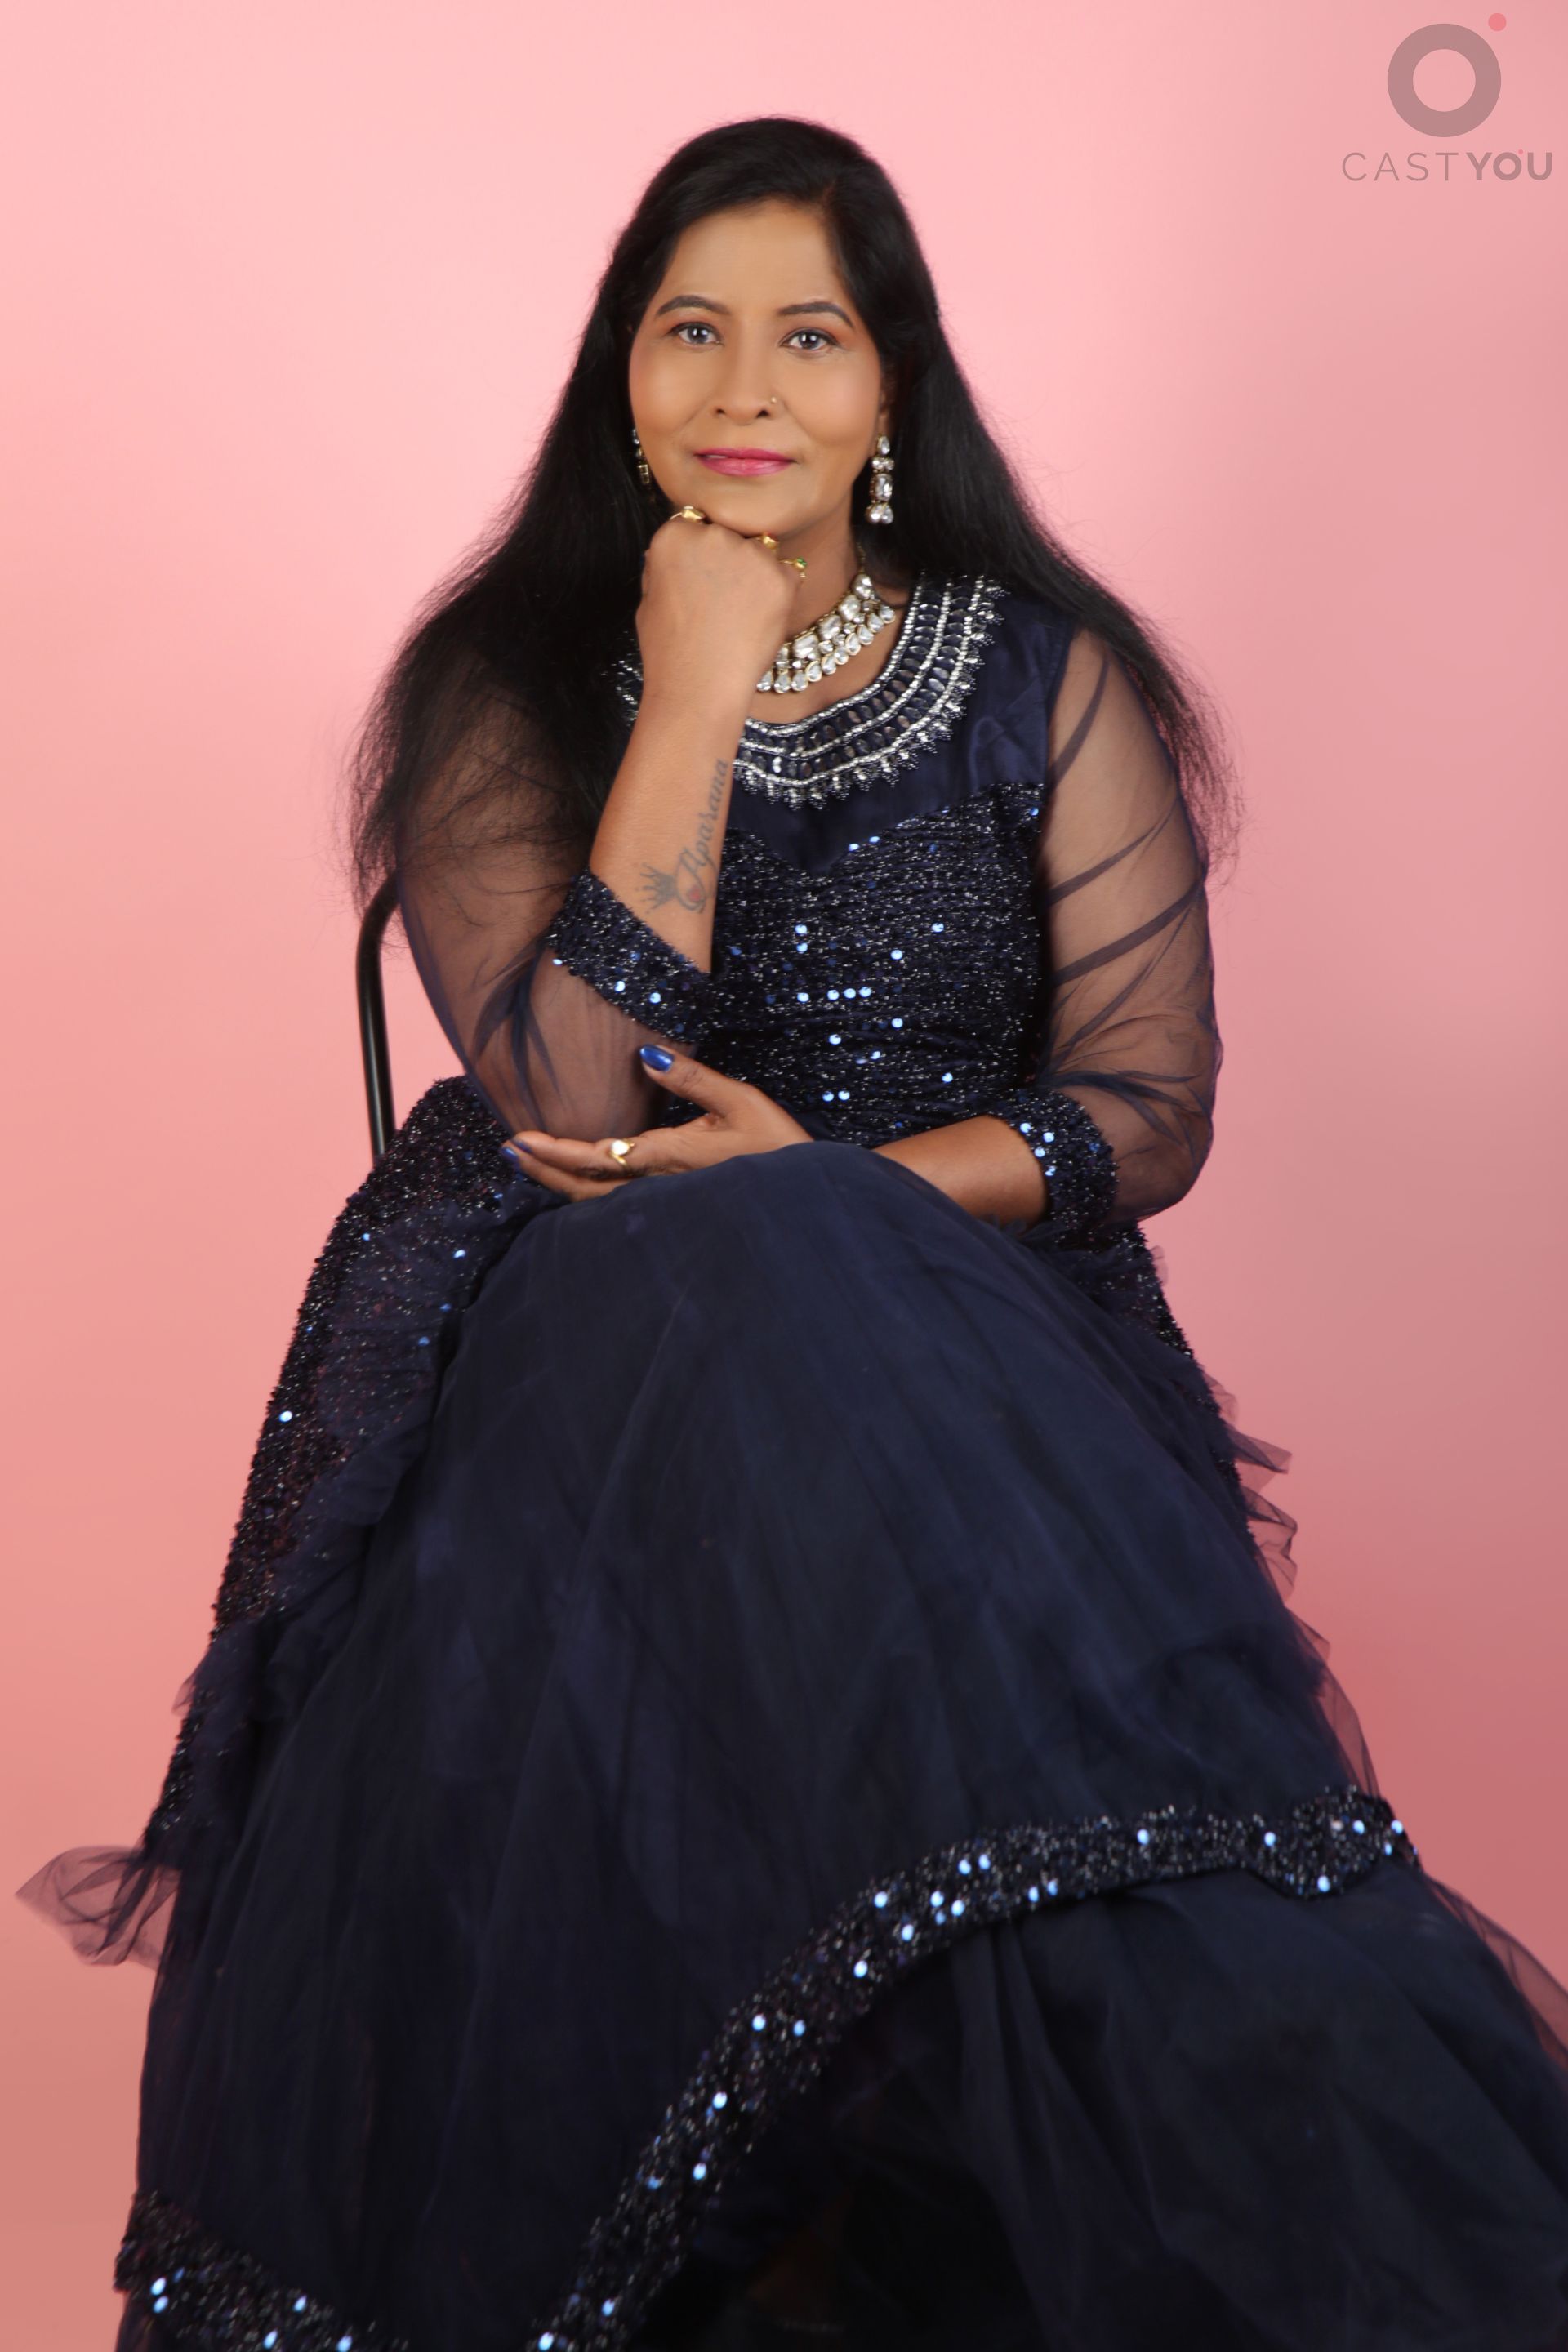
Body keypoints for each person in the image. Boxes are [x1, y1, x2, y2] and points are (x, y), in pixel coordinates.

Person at [22, 114, 1568, 2352]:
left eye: (811, 336)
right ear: (621, 374)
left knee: (803, 1286)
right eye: (693, 331)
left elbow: (1148, 1107)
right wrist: (698, 676)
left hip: (975, 1404)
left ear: (892, 383)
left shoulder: (1044, 680)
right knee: (724, 1282)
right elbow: (571, 1094)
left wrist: (833, 1192)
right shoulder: (503, 684)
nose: (747, 386)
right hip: (574, 1423)